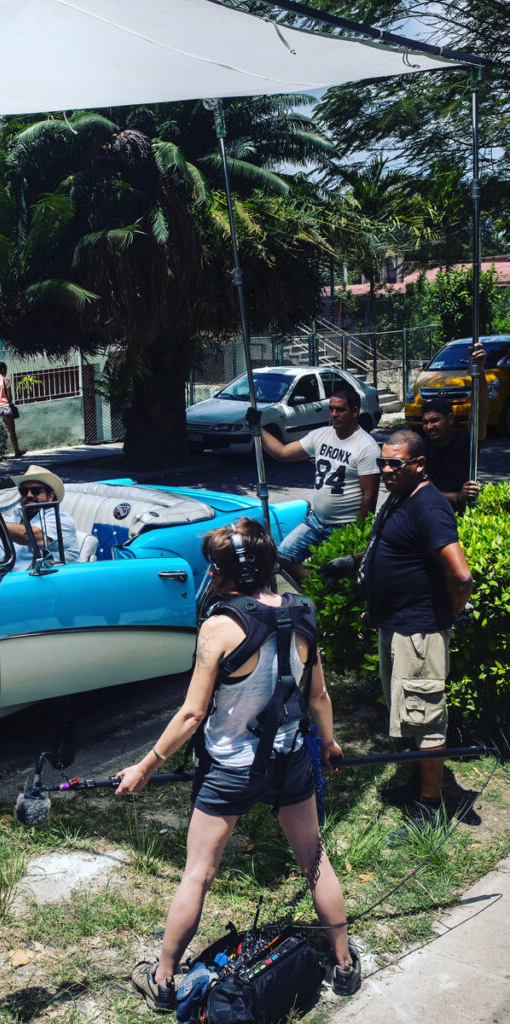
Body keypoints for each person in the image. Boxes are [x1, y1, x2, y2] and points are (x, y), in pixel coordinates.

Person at [115, 519, 361, 1014]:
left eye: (214, 565)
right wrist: (330, 743)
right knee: (314, 859)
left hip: (230, 768)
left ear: (226, 572)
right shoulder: (303, 613)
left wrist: (145, 766)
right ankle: (344, 965)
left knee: (199, 873)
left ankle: (163, 979)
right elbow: (318, 694)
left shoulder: (220, 626)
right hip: (289, 758)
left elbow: (191, 714)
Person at [320, 430, 473, 833]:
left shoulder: (430, 506)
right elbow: (389, 546)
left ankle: (431, 805)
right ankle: (414, 781)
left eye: (395, 463)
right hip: (395, 625)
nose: (385, 470)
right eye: (383, 462)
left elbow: (460, 574)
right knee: (406, 715)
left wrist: (453, 613)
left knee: (426, 720)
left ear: (418, 465)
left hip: (419, 631)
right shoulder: (399, 496)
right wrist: (350, 561)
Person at [257, 385, 380, 579]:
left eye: (340, 409)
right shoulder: (321, 435)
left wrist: (360, 536)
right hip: (317, 520)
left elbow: (369, 496)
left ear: (355, 411)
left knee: (339, 571)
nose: (334, 414)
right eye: (331, 409)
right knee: (283, 555)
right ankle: (318, 588)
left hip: (344, 525)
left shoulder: (366, 446)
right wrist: (259, 429)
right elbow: (282, 452)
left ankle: (325, 590)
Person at [0, 464, 79, 571]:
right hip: (13, 583)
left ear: (50, 496)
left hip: (46, 586)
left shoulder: (61, 519)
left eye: (35, 490)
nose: (29, 495)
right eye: (24, 491)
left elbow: (30, 536)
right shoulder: (16, 516)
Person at [421, 340, 488, 510]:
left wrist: (479, 371)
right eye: (425, 422)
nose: (429, 427)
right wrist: (458, 497)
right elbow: (418, 492)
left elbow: (479, 412)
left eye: (435, 420)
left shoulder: (466, 441)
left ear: (450, 419)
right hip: (428, 515)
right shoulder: (419, 449)